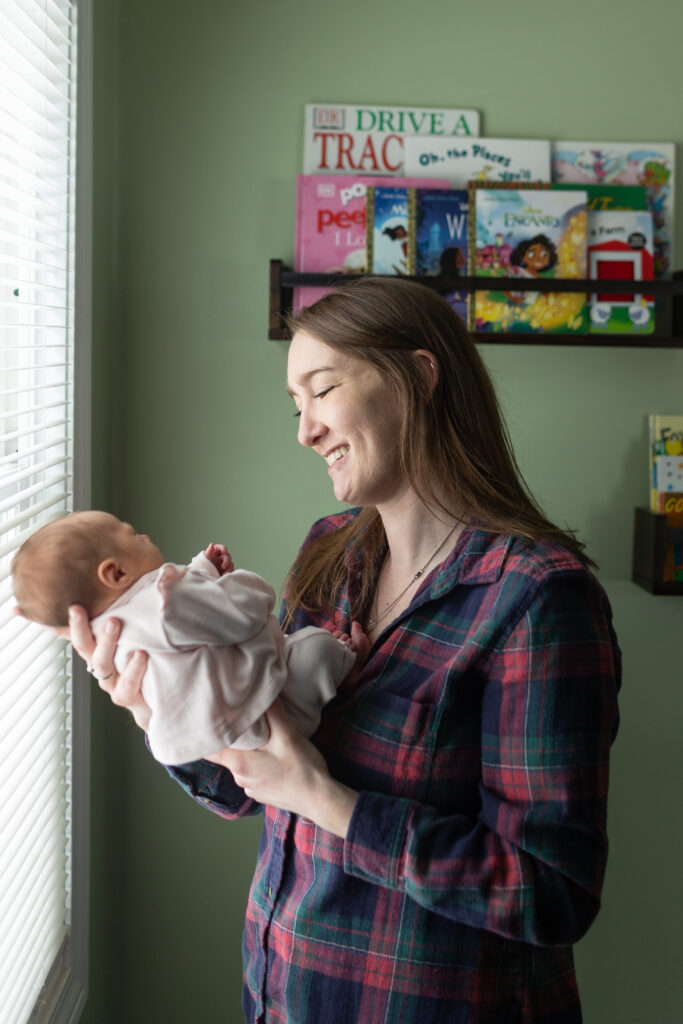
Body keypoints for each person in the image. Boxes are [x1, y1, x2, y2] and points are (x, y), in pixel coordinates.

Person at [64, 278, 621, 1022]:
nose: (304, 431)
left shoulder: (534, 599)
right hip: (285, 996)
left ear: (419, 378)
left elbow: (550, 894)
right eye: (295, 406)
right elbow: (251, 782)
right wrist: (159, 712)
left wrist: (329, 802)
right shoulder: (332, 555)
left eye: (321, 391)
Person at [12, 511, 361, 764]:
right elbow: (240, 613)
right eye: (132, 534)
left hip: (227, 742)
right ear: (115, 573)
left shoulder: (110, 633)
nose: (143, 536)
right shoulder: (165, 601)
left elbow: (184, 635)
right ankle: (349, 658)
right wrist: (240, 584)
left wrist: (203, 570)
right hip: (267, 702)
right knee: (315, 648)